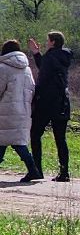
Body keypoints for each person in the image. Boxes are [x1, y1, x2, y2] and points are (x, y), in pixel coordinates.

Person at [26, 32, 73, 183]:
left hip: (46, 103)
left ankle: (37, 170)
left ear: (53, 42)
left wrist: (34, 96)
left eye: (48, 40)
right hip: (62, 103)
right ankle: (64, 172)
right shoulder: (63, 57)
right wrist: (37, 53)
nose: (46, 43)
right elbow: (45, 66)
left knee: (35, 134)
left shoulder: (50, 57)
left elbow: (43, 76)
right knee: (61, 139)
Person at [0, 41, 41, 182]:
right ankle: (33, 170)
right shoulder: (27, 69)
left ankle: (33, 170)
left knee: (4, 140)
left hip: (5, 110)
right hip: (23, 110)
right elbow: (32, 89)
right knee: (17, 141)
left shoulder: (3, 68)